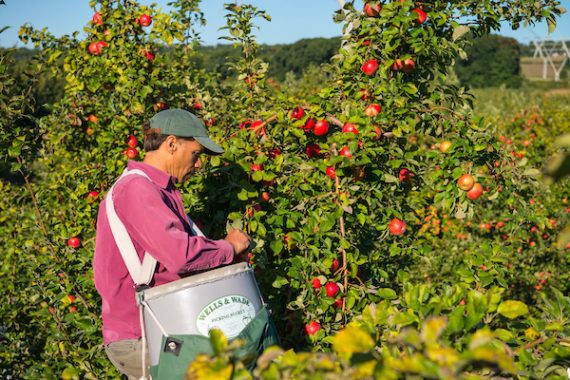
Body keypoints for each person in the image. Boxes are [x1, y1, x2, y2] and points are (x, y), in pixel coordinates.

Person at [93, 108, 252, 379]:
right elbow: (181, 255)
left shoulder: (157, 191)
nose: (199, 164)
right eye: (196, 154)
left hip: (162, 329)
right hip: (147, 334)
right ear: (171, 144)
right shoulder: (137, 190)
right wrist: (230, 247)